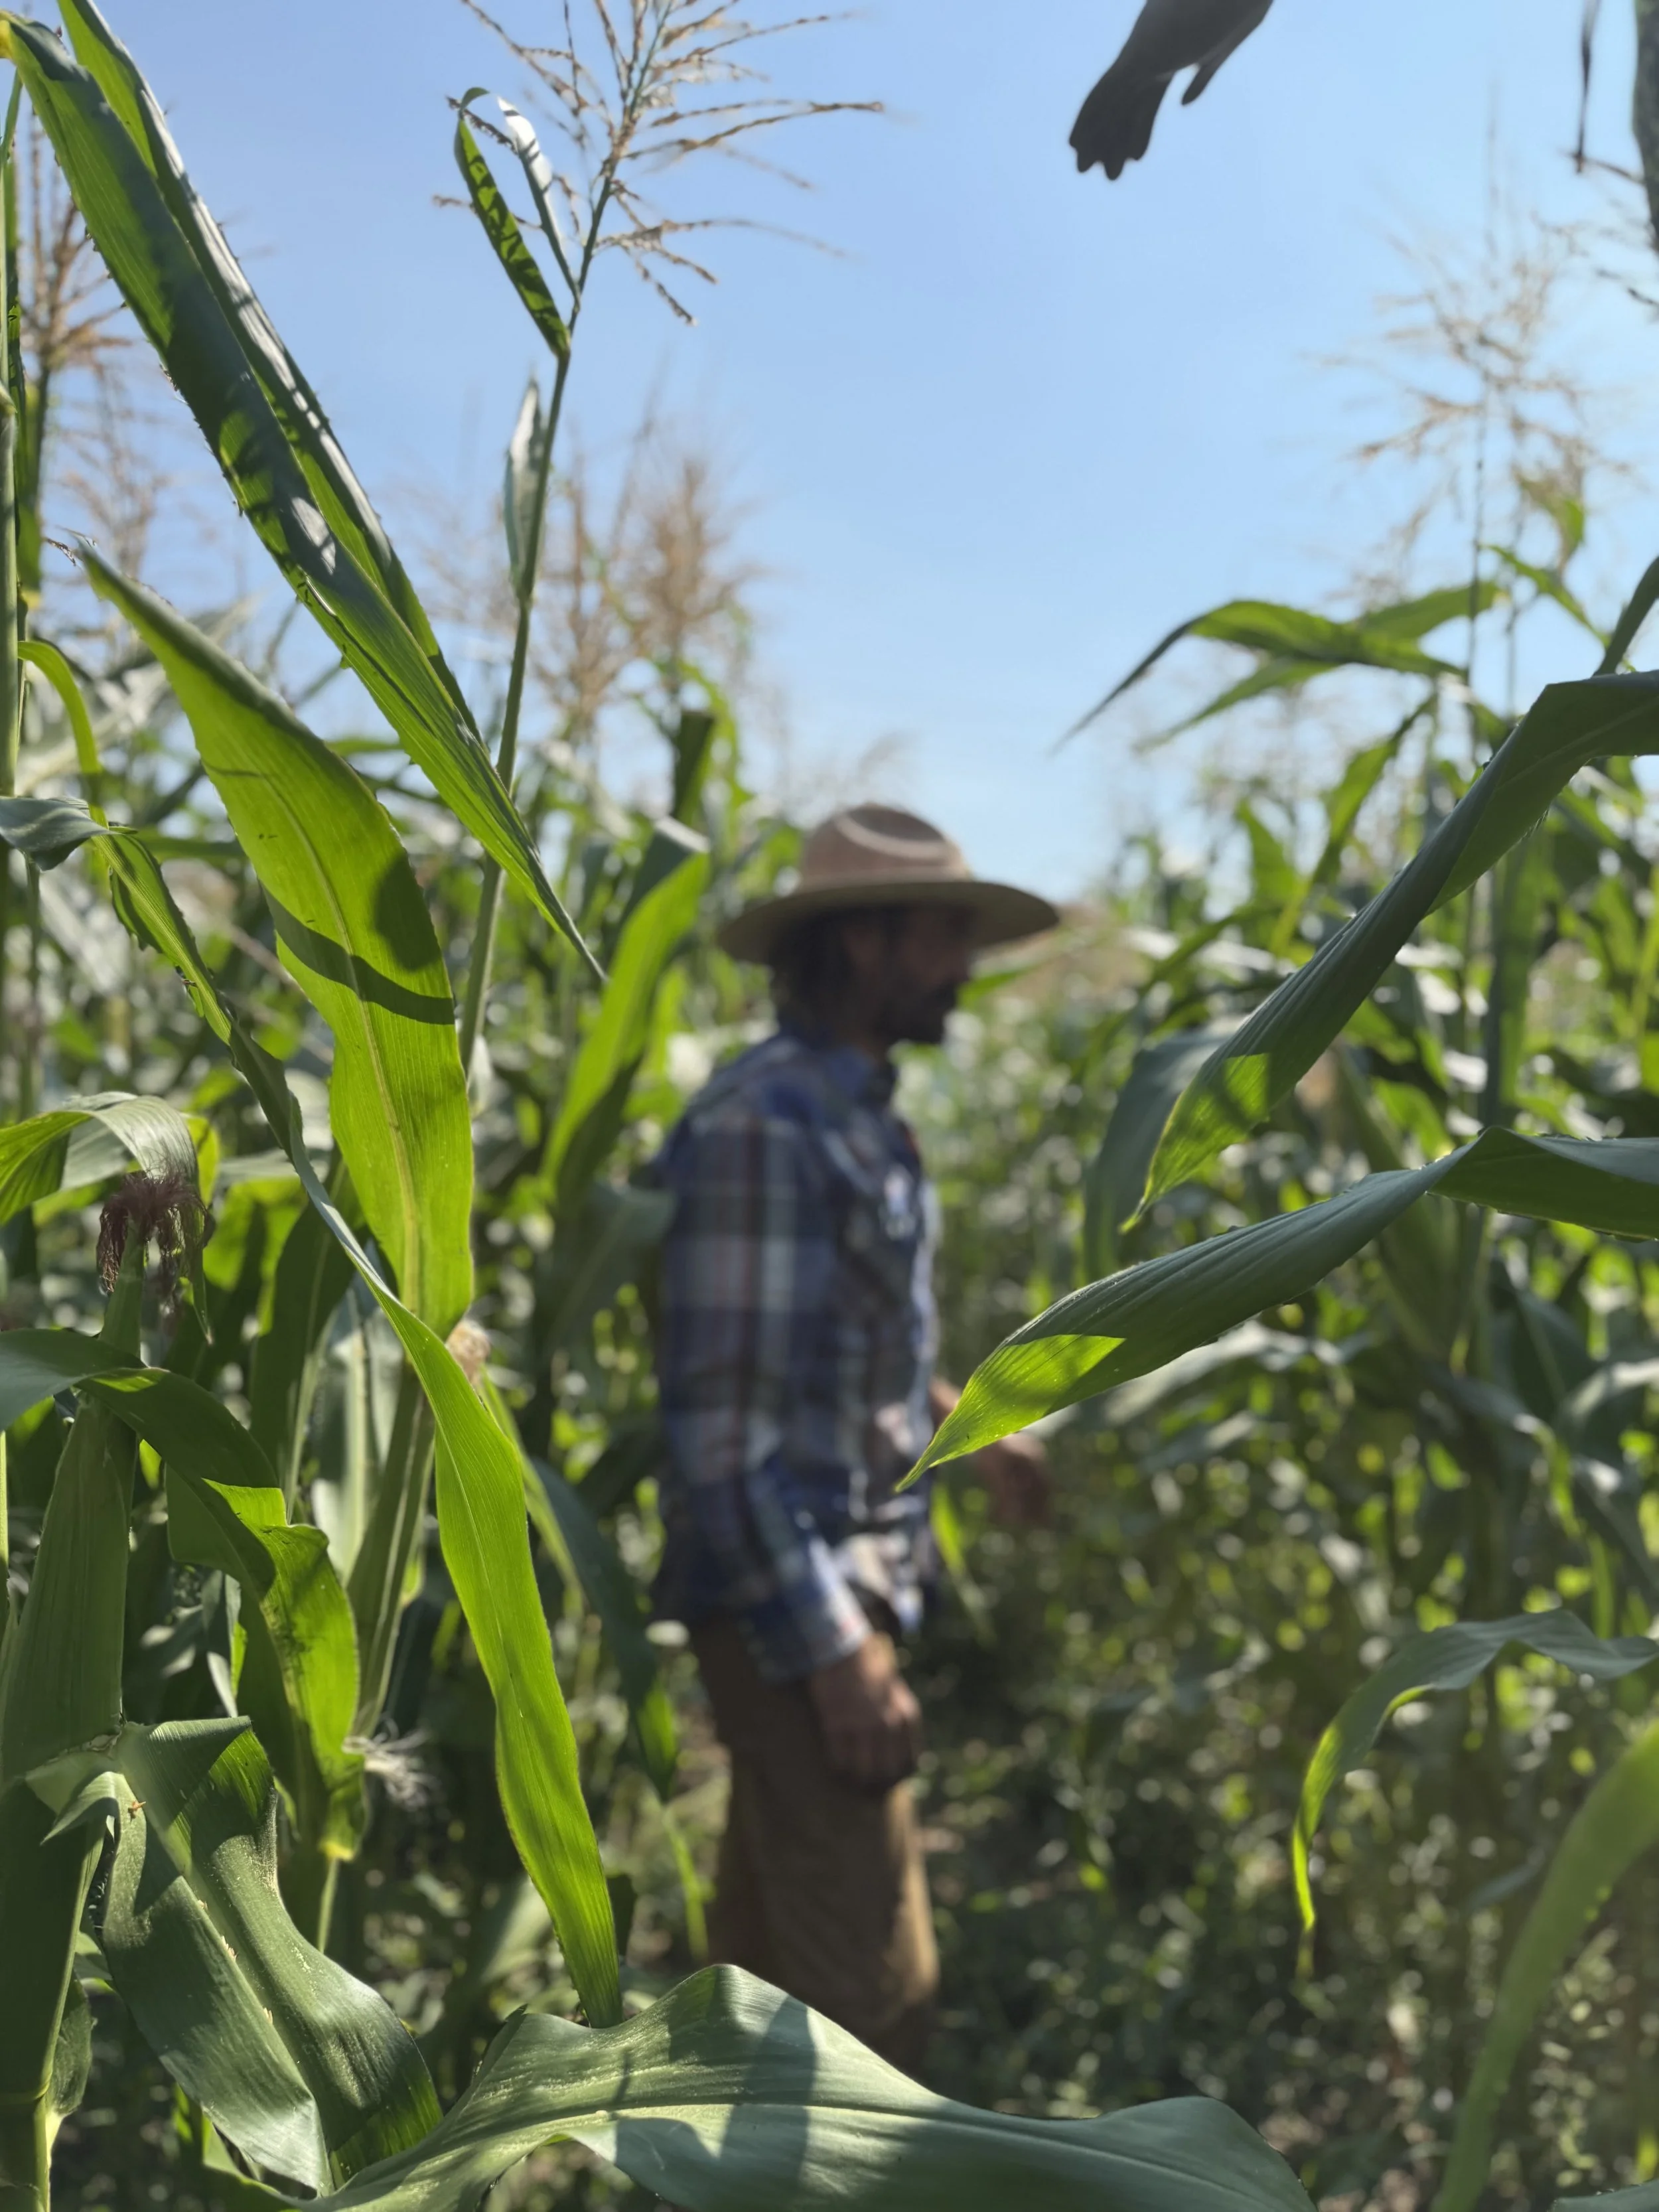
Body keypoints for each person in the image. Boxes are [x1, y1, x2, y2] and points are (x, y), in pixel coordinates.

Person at [652, 802, 1059, 2079]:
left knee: (767, 1976)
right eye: (944, 933)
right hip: (796, 1603)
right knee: (879, 2020)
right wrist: (837, 1658)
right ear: (863, 943)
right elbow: (722, 1440)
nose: (966, 966)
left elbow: (838, 1355)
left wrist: (965, 1430)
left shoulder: (858, 1116)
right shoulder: (768, 1129)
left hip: (841, 1573)